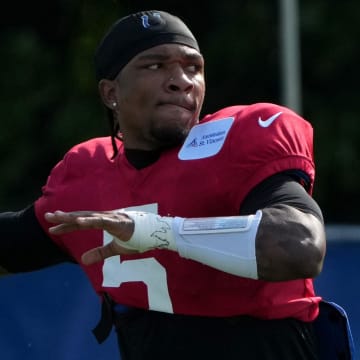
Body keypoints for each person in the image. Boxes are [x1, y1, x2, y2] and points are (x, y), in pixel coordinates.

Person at [0, 9, 327, 360]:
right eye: (155, 66)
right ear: (111, 92)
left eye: (193, 67)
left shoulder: (238, 142)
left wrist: (159, 233)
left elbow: (301, 246)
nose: (181, 80)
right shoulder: (85, 176)